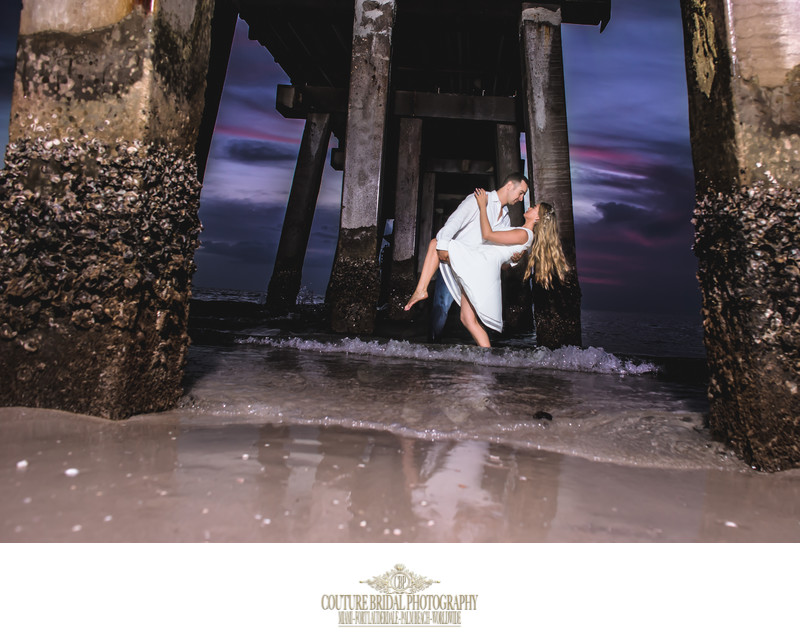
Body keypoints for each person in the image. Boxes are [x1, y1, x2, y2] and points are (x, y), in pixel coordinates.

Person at [404, 188, 535, 347]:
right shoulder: (517, 229)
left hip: (474, 264)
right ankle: (487, 359)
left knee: (435, 244)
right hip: (467, 260)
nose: (523, 201)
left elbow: (488, 236)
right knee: (466, 319)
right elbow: (456, 223)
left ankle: (421, 292)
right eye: (520, 193)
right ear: (510, 186)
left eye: (534, 208)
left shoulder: (519, 229)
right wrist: (514, 259)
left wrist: (482, 207)